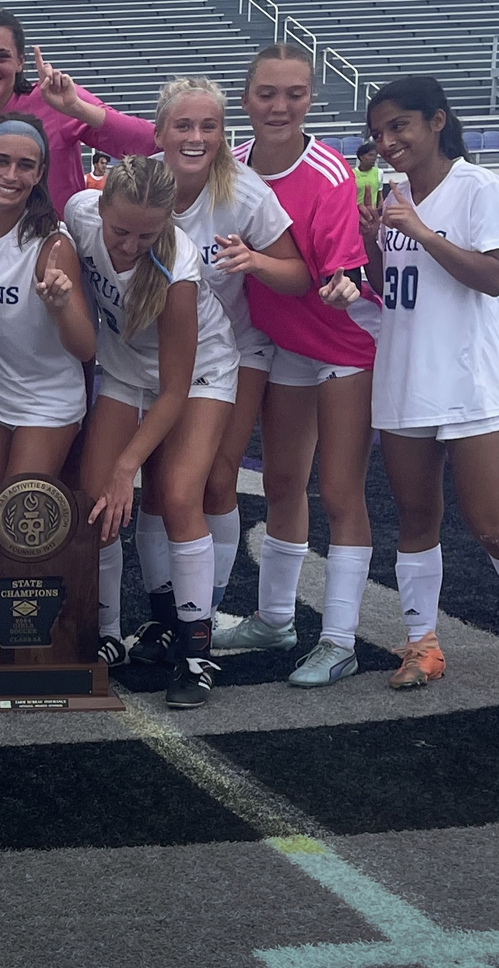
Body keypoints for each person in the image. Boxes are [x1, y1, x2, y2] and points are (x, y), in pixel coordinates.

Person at [362, 76, 499, 688]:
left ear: (436, 122)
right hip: (405, 376)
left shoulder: (477, 186)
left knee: (490, 521)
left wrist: (421, 232)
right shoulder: (394, 196)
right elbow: (392, 288)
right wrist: (371, 241)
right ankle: (422, 646)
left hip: (468, 381)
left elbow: (493, 276)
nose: (386, 141)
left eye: (398, 126)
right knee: (413, 517)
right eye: (379, 132)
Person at [211, 49, 378, 689]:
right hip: (286, 345)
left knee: (339, 493)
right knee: (282, 482)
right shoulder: (235, 165)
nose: (280, 107)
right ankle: (275, 618)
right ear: (246, 99)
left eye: (295, 94)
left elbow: (340, 273)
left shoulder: (331, 172)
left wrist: (342, 284)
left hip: (344, 345)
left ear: (313, 98)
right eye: (267, 94)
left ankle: (339, 640)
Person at [131, 78, 311, 668]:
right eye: (184, 125)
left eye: (209, 126)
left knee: (214, 479)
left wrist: (254, 260)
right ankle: (164, 616)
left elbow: (297, 273)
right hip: (154, 354)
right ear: (160, 133)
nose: (197, 137)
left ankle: (200, 616)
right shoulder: (140, 181)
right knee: (158, 485)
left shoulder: (244, 193)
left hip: (235, 351)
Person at [70, 157, 239, 709]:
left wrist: (127, 467)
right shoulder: (79, 213)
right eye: (120, 231)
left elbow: (174, 391)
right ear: (101, 208)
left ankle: (195, 654)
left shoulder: (178, 270)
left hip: (199, 374)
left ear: (167, 222)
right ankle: (109, 635)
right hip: (123, 371)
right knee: (96, 505)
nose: (129, 244)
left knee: (177, 496)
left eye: (146, 233)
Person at [0, 113, 96, 498]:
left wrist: (61, 307)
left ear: (40, 173)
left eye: (25, 166)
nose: (10, 175)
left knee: (15, 521)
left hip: (45, 398)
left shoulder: (50, 243)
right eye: (1, 161)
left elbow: (86, 347)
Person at [0, 9, 155, 209]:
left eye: (1, 56)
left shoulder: (53, 99)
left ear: (20, 61)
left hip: (60, 240)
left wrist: (77, 108)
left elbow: (151, 143)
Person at [353, 141, 384, 209]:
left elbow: (379, 191)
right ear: (361, 157)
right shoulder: (352, 174)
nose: (373, 158)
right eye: (370, 155)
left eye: (375, 155)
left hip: (372, 212)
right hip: (356, 212)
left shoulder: (379, 172)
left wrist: (381, 203)